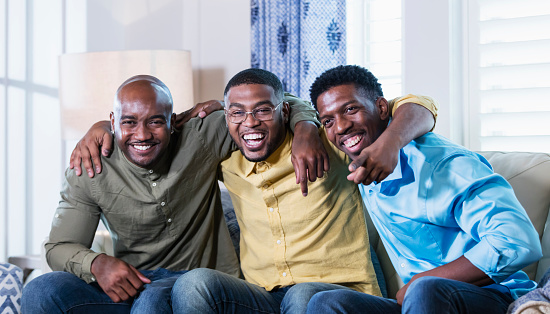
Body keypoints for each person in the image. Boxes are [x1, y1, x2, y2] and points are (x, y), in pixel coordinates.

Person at [21, 74, 322, 313]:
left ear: (172, 121)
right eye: (129, 122)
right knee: (41, 290)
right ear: (113, 123)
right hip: (134, 284)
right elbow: (58, 246)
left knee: (153, 304)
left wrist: (307, 129)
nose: (142, 135)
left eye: (155, 121)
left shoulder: (201, 135)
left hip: (200, 284)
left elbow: (275, 104)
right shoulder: (90, 166)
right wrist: (97, 264)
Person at [169, 68, 437, 313]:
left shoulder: (329, 142)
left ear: (284, 112)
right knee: (193, 284)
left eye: (262, 110)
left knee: (302, 296)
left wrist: (388, 143)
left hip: (333, 293)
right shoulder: (225, 161)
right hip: (262, 295)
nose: (250, 122)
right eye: (237, 112)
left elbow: (422, 104)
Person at [305, 65, 543, 313]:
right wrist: (303, 130)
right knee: (325, 302)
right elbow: (280, 106)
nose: (341, 126)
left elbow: (518, 241)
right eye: (328, 121)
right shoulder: (354, 154)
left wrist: (419, 282)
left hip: (493, 295)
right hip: (419, 303)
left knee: (425, 289)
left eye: (351, 109)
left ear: (382, 108)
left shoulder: (443, 164)